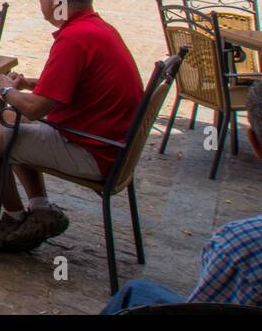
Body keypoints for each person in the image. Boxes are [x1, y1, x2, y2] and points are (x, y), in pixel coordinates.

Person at [0, 0, 143, 253]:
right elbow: (72, 86)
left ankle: (13, 217)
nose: (40, 3)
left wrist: (5, 90)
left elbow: (35, 110)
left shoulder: (73, 39)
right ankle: (40, 208)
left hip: (94, 150)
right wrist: (32, 84)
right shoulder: (97, 29)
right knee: (9, 118)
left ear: (57, 0)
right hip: (109, 143)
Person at [103, 83, 262, 312]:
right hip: (113, 153)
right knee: (136, 291)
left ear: (254, 144)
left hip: (99, 153)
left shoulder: (239, 247)